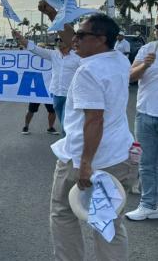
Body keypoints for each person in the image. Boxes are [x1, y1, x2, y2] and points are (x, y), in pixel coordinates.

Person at [49, 14, 133, 260]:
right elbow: (73, 43)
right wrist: (55, 16)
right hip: (117, 156)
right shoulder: (118, 60)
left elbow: (94, 119)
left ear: (100, 39)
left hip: (86, 159)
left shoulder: (88, 70)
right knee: (108, 224)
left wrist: (85, 164)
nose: (74, 39)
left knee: (63, 213)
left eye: (81, 35)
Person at [15, 29, 80, 135]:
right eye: (57, 40)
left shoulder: (78, 57)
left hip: (71, 95)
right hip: (57, 95)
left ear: (69, 42)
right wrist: (19, 37)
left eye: (61, 40)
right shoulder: (53, 54)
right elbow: (34, 48)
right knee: (63, 121)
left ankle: (68, 147)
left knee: (65, 123)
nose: (58, 42)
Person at [125, 25, 158, 220]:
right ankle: (149, 205)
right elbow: (130, 76)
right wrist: (145, 65)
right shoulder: (148, 49)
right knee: (146, 163)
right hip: (146, 113)